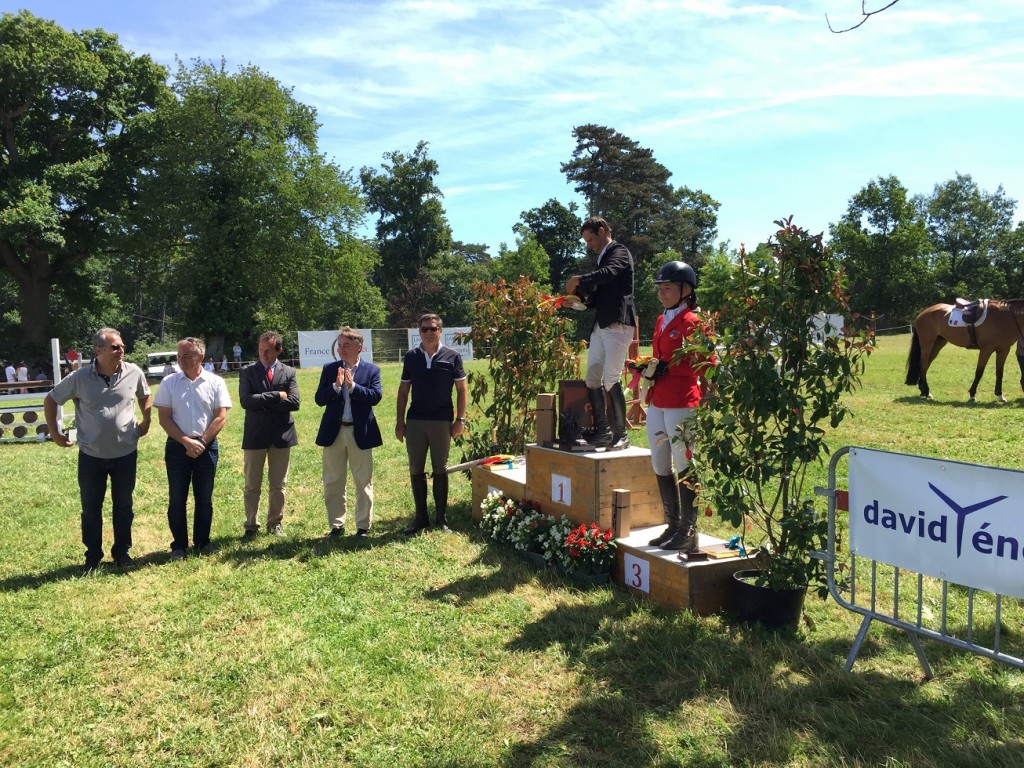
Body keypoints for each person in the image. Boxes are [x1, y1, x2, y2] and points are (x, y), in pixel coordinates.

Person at [43, 328, 152, 573]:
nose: (121, 350)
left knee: (123, 505)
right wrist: (55, 433)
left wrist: (146, 418)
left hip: (125, 453)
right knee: (91, 508)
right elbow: (51, 400)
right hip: (91, 456)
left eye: (122, 346)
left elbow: (145, 395)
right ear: (98, 350)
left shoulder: (133, 372)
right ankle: (92, 556)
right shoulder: (79, 378)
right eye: (115, 347)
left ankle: (122, 552)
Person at [643, 261, 708, 553]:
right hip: (658, 400)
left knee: (684, 464)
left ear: (685, 289)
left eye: (667, 288)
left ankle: (688, 528)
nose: (662, 293)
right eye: (660, 288)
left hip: (682, 400)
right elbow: (660, 357)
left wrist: (667, 368)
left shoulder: (694, 322)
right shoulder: (661, 320)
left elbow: (705, 363)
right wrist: (647, 367)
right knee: (659, 461)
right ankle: (673, 524)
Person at [155, 337, 232, 560]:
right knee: (177, 499)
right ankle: (178, 546)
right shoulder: (169, 382)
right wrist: (187, 442)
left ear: (199, 356)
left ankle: (202, 542)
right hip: (178, 447)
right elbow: (164, 419)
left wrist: (202, 441)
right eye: (179, 356)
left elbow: (221, 416)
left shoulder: (215, 382)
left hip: (207, 447)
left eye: (186, 356)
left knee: (204, 498)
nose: (181, 360)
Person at [565, 216, 636, 451]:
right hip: (601, 325)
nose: (589, 244)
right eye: (587, 241)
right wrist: (575, 301)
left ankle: (621, 434)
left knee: (611, 378)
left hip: (618, 323)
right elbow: (596, 298)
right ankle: (603, 432)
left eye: (591, 239)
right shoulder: (602, 257)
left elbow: (610, 272)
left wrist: (581, 278)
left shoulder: (619, 252)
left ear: (602, 230)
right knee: (593, 379)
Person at [396, 313, 467, 535]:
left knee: (440, 468)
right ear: (419, 332)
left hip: (441, 421)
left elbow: (462, 390)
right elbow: (403, 390)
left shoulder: (452, 356)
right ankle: (421, 518)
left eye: (433, 329)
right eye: (424, 329)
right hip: (415, 420)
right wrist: (400, 422)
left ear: (440, 331)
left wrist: (460, 420)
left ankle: (441, 518)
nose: (428, 332)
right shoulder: (411, 356)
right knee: (416, 468)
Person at [315, 327, 382, 540]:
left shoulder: (371, 371)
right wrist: (336, 386)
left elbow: (375, 397)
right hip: (334, 433)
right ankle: (337, 526)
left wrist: (353, 387)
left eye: (346, 345)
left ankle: (363, 527)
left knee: (363, 481)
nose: (341, 349)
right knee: (333, 481)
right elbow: (319, 399)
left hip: (360, 432)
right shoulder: (329, 369)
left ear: (358, 347)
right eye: (340, 345)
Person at [239, 331, 299, 540]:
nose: (263, 353)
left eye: (268, 350)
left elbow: (294, 403)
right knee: (252, 484)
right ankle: (251, 525)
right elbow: (246, 401)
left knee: (278, 484)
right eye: (261, 349)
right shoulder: (247, 372)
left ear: (279, 350)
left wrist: (263, 402)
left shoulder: (289, 372)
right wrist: (276, 396)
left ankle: (275, 523)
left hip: (282, 435)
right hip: (255, 435)